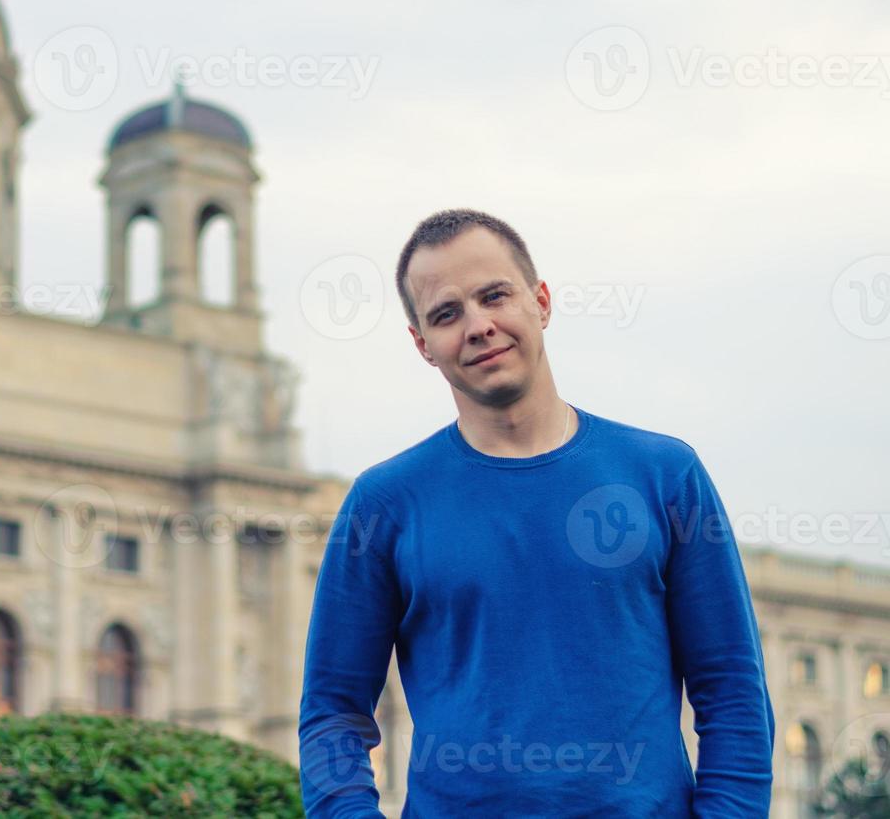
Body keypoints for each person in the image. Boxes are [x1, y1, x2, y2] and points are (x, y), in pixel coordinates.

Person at [297, 209, 774, 817]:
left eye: (495, 296)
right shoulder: (383, 502)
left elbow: (733, 690)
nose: (479, 326)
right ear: (422, 344)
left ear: (541, 301)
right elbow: (333, 711)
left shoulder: (665, 475)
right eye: (446, 314)